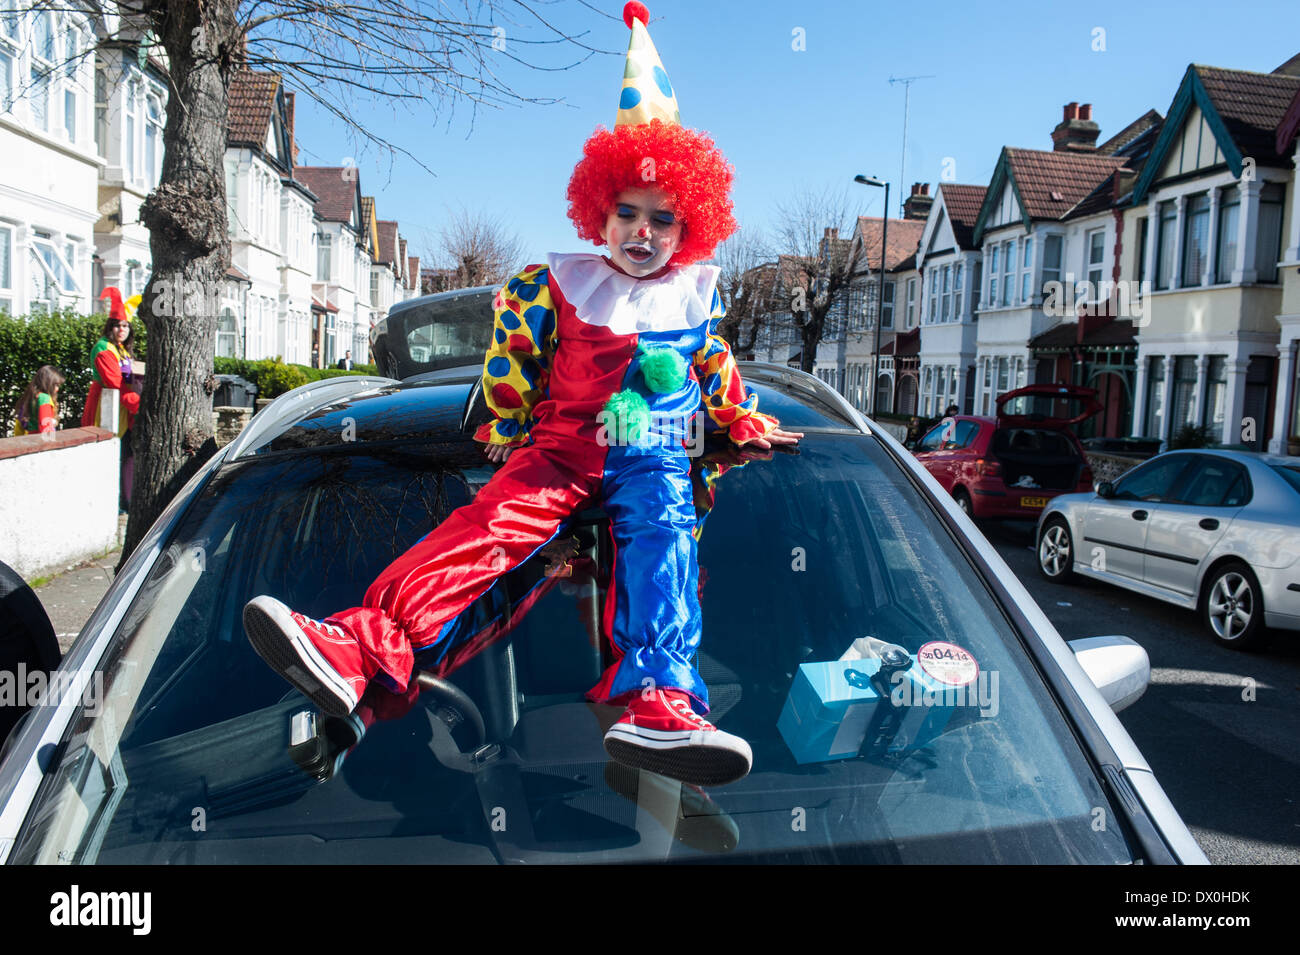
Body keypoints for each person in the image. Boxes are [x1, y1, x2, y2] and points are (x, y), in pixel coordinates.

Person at [242, 2, 802, 787]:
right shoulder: (555, 284)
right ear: (598, 212)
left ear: (689, 226)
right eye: (627, 213)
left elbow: (715, 365)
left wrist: (743, 419)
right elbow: (511, 356)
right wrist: (505, 422)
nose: (643, 232)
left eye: (663, 219)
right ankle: (359, 646)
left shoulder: (695, 297)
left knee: (666, 541)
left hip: (656, 453)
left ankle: (662, 702)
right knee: (488, 529)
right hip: (567, 448)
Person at [81, 287, 141, 510]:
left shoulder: (123, 350)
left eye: (125, 325)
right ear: (110, 327)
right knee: (109, 456)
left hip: (125, 410)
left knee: (126, 455)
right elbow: (115, 383)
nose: (121, 329)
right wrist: (139, 406)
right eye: (117, 325)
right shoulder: (104, 348)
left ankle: (124, 501)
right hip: (105, 409)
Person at [12, 365, 65, 437]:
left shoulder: (31, 396)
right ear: (48, 383)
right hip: (40, 439)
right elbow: (45, 425)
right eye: (56, 385)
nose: (57, 389)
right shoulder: (44, 398)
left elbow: (19, 421)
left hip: (29, 437)